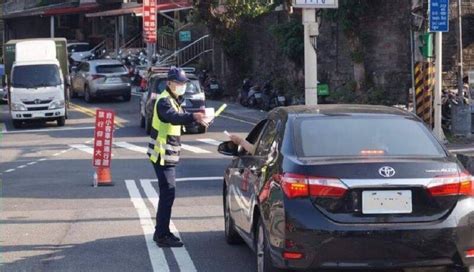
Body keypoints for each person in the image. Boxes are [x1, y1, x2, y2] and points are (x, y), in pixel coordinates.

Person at [147, 67, 208, 248]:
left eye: (183, 83)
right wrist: (193, 116)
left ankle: (162, 231)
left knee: (168, 194)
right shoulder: (164, 102)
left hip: (168, 156)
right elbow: (173, 118)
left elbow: (179, 121)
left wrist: (198, 119)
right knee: (168, 194)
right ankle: (161, 234)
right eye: (178, 83)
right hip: (162, 156)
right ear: (169, 84)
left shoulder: (175, 100)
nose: (181, 86)